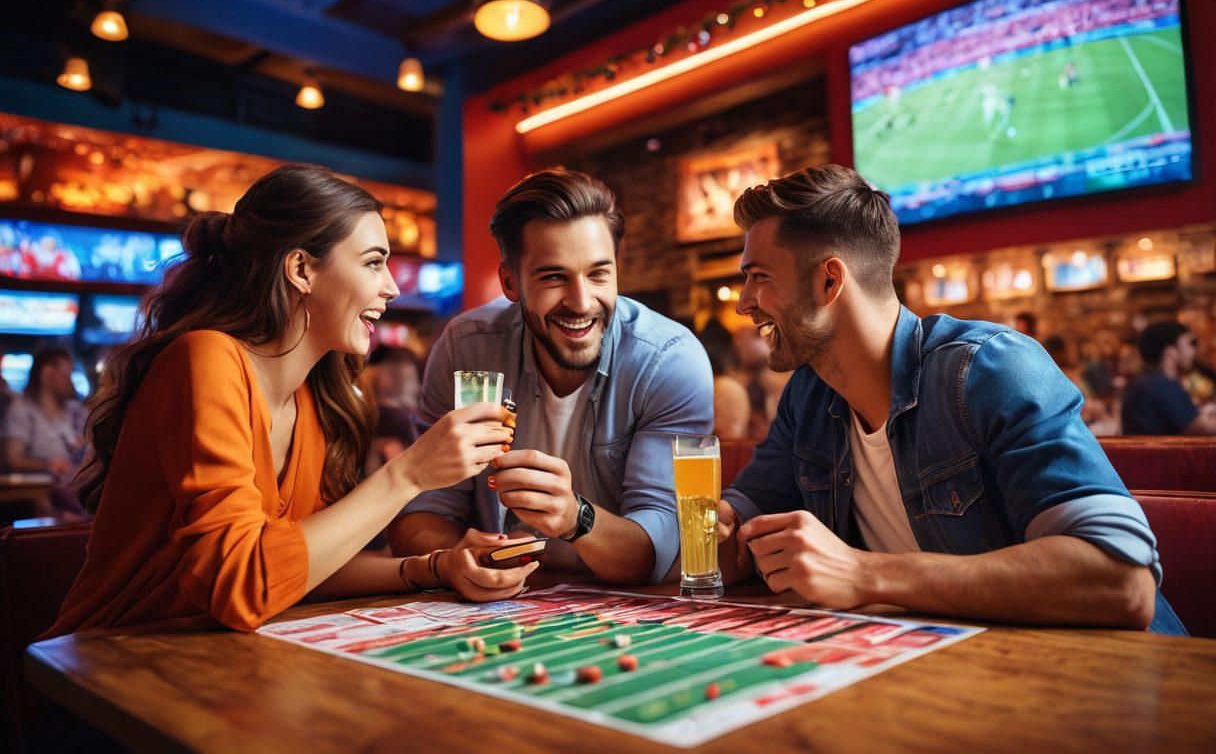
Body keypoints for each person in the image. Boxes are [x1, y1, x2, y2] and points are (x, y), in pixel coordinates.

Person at [48, 165, 528, 637]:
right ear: (301, 269)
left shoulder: (314, 400)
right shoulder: (205, 358)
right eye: (373, 262)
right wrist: (408, 475)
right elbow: (240, 586)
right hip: (108, 669)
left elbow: (298, 565)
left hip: (220, 664)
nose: (393, 287)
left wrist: (436, 567)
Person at [715, 164, 1183, 634]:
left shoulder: (988, 370)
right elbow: (737, 534)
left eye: (758, 276)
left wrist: (865, 573)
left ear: (829, 282)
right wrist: (713, 530)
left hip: (1114, 682)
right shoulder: (809, 396)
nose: (744, 303)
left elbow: (1121, 581)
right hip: (952, 672)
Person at [389, 169, 713, 589]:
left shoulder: (669, 359)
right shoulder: (466, 347)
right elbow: (423, 510)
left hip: (629, 608)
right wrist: (458, 563)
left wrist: (575, 517)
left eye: (598, 274)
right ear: (511, 282)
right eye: (554, 277)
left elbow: (659, 551)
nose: (581, 302)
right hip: (501, 610)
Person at [2, 346, 86, 480]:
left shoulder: (75, 410)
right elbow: (13, 459)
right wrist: (49, 464)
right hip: (41, 489)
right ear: (47, 373)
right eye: (66, 375)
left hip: (75, 483)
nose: (70, 382)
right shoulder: (22, 409)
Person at [1121, 322, 1216, 436]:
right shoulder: (1157, 385)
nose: (1193, 351)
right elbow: (1203, 428)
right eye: (1190, 344)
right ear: (1170, 351)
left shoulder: (1150, 382)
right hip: (1157, 453)